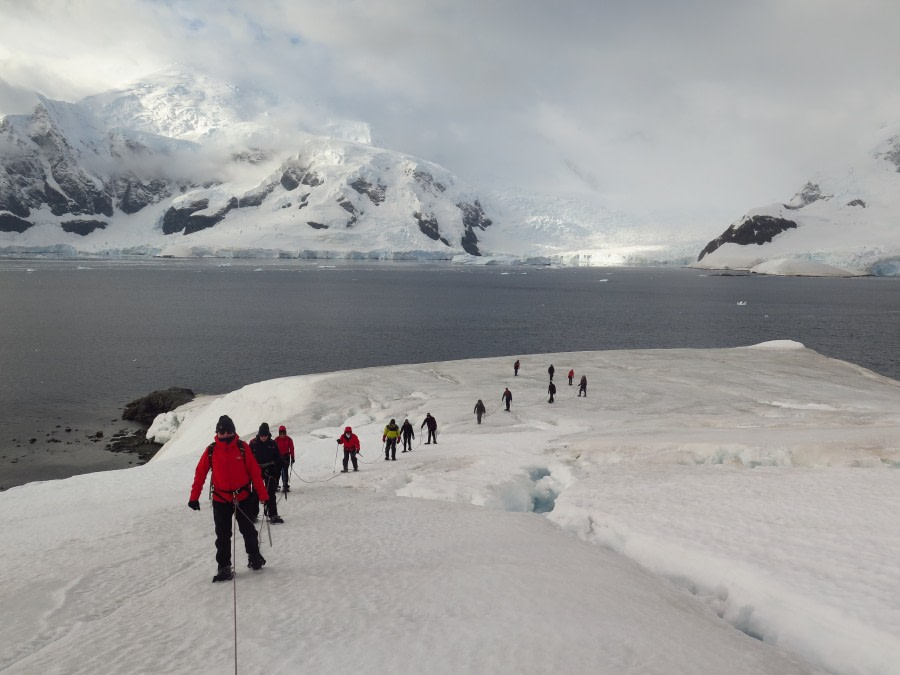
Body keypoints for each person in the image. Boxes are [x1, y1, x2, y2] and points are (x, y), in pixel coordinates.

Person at [188, 415, 269, 582]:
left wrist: (263, 495)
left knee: (248, 531)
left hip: (243, 498)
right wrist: (194, 497)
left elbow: (255, 473)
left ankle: (254, 557)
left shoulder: (242, 448)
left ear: (233, 431)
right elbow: (200, 473)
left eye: (228, 431)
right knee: (223, 536)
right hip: (220, 500)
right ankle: (224, 567)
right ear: (217, 432)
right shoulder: (211, 450)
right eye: (221, 431)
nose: (224, 434)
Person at [248, 423, 284, 524]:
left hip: (270, 470)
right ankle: (253, 514)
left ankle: (273, 514)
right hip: (257, 471)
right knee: (255, 493)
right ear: (259, 434)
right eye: (261, 435)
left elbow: (278, 459)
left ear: (268, 434)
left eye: (265, 435)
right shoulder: (253, 444)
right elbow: (248, 460)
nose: (263, 437)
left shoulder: (273, 444)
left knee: (270, 493)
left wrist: (276, 474)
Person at [275, 424, 295, 492]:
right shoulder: (276, 440)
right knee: (277, 472)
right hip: (278, 458)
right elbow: (273, 449)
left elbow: (291, 448)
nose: (283, 435)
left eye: (284, 433)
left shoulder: (289, 439)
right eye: (281, 433)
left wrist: (292, 457)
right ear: (279, 433)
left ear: (285, 432)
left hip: (286, 457)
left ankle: (285, 485)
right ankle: (275, 485)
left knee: (285, 471)